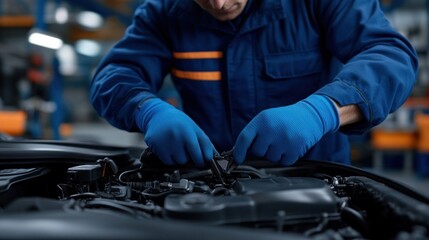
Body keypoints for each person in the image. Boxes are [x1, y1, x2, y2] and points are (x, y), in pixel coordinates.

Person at [90, 0, 418, 168]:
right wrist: (147, 110)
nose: (218, 4)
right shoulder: (164, 12)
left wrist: (323, 112)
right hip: (208, 186)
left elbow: (390, 55)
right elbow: (114, 74)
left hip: (316, 182)